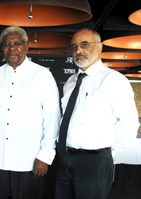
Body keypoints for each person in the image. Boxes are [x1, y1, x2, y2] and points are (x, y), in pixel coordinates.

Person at [55, 28, 140, 199]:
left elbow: (129, 122)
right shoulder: (70, 82)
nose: (78, 50)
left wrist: (109, 152)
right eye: (74, 46)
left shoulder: (114, 80)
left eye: (84, 44)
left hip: (94, 161)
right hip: (65, 158)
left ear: (100, 47)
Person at [0, 26, 60, 199]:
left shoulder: (42, 75)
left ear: (26, 47)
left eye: (17, 43)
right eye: (7, 44)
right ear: (1, 49)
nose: (12, 48)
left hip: (30, 161)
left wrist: (45, 156)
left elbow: (52, 117)